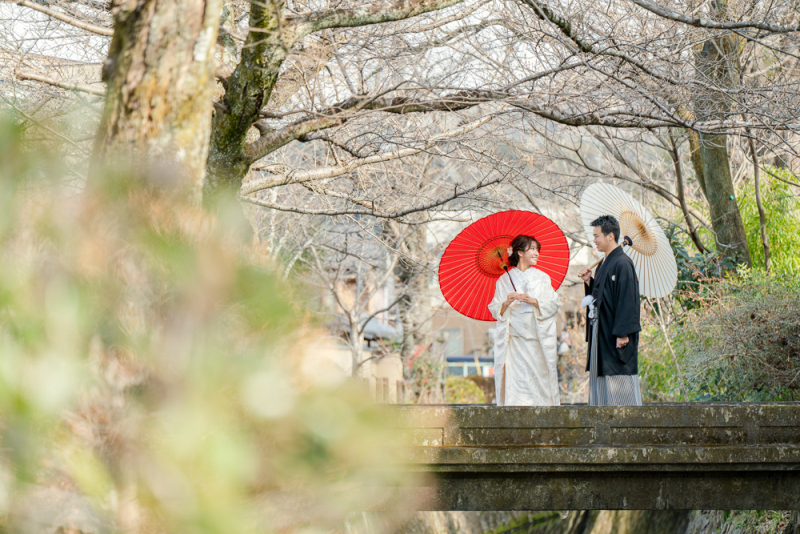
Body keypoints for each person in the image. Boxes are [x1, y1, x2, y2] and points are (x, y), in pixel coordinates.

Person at [488, 235, 561, 406]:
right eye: (532, 249)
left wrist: (534, 301)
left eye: (537, 249)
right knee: (516, 385)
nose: (537, 253)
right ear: (520, 252)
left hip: (537, 339)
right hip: (514, 341)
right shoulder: (504, 279)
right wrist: (507, 302)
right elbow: (494, 308)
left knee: (539, 384)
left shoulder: (543, 277)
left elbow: (553, 303)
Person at [578, 215, 642, 406]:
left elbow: (627, 300)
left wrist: (623, 333)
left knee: (618, 379)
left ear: (610, 236)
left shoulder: (623, 263)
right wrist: (590, 282)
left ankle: (623, 424)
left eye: (597, 236)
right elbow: (599, 297)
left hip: (616, 333)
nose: (594, 240)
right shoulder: (604, 263)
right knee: (602, 378)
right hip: (602, 330)